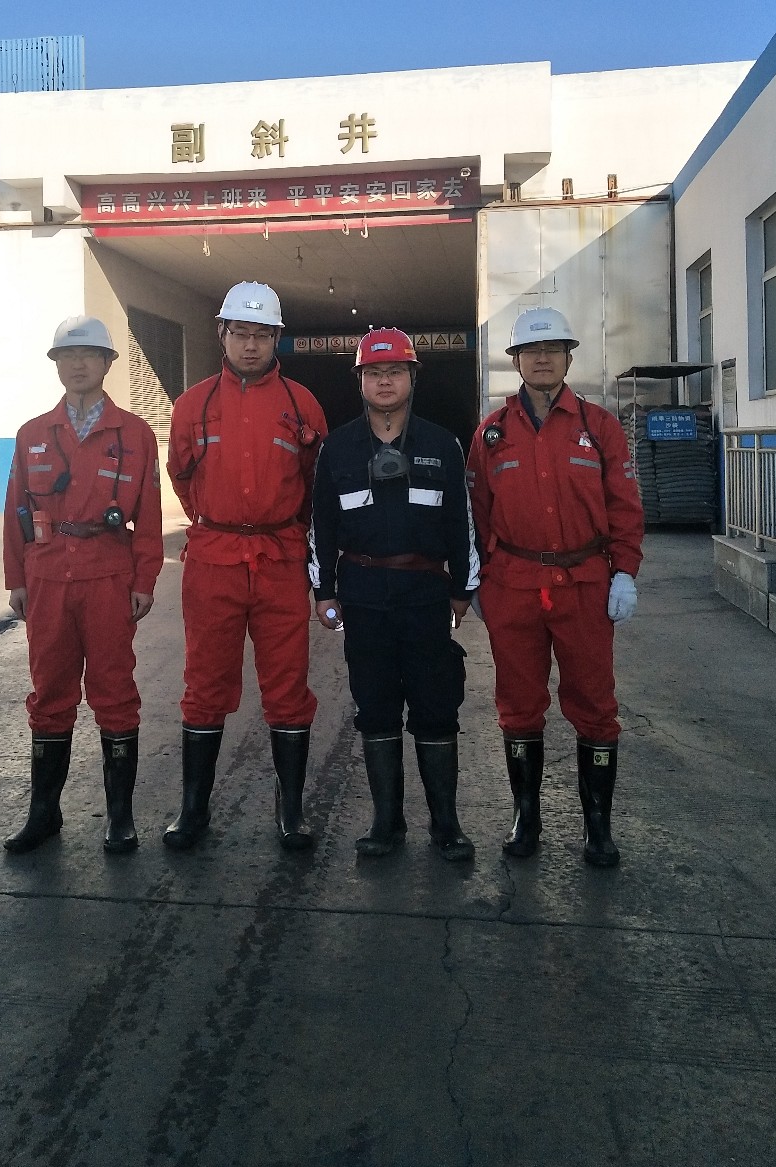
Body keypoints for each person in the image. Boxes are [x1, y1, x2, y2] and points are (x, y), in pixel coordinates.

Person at [467, 307, 644, 868]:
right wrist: (478, 577)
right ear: (516, 361)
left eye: (552, 350)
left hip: (585, 584)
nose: (541, 359)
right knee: (518, 704)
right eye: (530, 351)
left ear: (568, 358)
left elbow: (624, 506)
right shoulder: (491, 434)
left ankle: (597, 825)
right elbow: (477, 512)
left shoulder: (600, 427)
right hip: (514, 585)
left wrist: (624, 572)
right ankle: (527, 816)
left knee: (594, 703)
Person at [164, 283, 328, 851]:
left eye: (262, 335)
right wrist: (220, 522)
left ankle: (291, 810)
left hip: (281, 559)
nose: (251, 345)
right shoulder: (193, 405)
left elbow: (315, 484)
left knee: (288, 685)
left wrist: (285, 532)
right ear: (222, 334)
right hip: (214, 560)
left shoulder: (302, 404)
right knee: (204, 684)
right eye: (241, 334)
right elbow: (182, 476)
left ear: (277, 337)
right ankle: (193, 810)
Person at [309, 328, 480, 862]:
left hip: (426, 595)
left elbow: (461, 522)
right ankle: (386, 823)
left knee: (436, 706)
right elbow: (321, 525)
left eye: (395, 372)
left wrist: (462, 588)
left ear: (412, 378)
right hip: (363, 598)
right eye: (374, 372)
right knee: (376, 708)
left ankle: (446, 825)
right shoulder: (337, 448)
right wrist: (324, 590)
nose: (385, 382)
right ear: (360, 380)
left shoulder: (441, 444)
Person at [2, 315, 164, 856]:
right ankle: (43, 814)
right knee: (49, 693)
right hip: (47, 577)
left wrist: (145, 579)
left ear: (108, 363)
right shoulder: (32, 434)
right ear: (56, 364)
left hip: (108, 578)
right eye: (67, 356)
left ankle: (120, 818)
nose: (77, 364)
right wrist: (16, 578)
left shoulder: (135, 435)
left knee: (115, 693)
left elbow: (149, 517)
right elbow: (15, 512)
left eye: (89, 354)